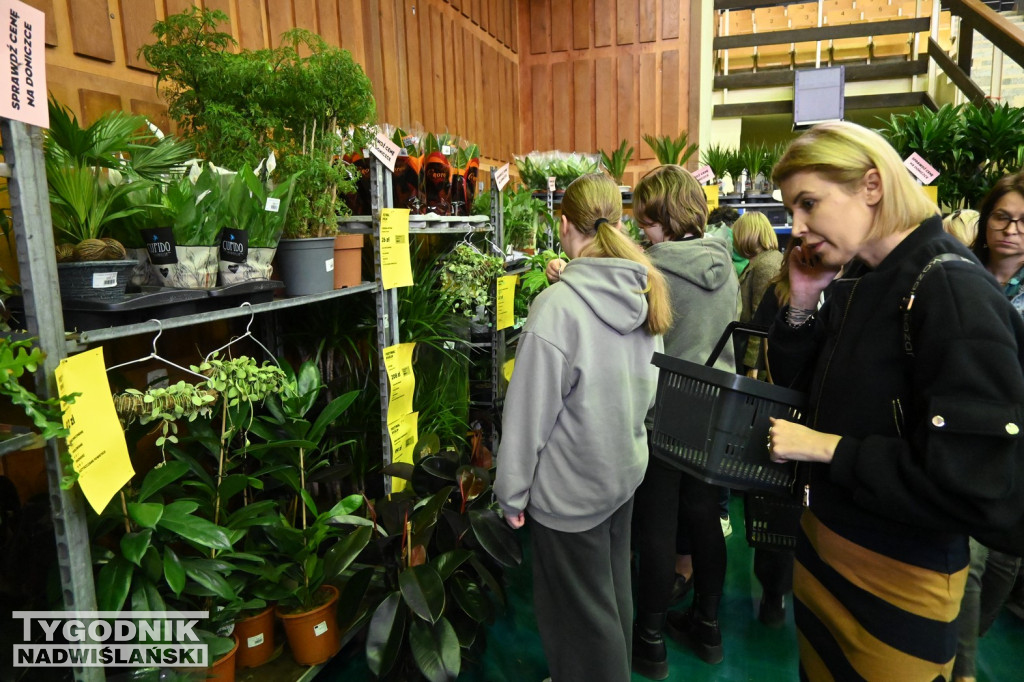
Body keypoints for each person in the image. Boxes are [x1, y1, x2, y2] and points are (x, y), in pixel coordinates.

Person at [765, 121, 1024, 680]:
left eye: (809, 203)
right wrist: (803, 306)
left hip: (899, 574)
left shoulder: (950, 288)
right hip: (828, 551)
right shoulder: (865, 277)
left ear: (872, 186)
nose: (798, 227)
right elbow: (807, 388)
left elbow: (971, 484)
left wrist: (829, 448)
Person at [495, 173, 671, 682]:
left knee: (579, 620)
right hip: (621, 475)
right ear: (618, 224)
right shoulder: (641, 291)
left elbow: (528, 417)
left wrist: (512, 495)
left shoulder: (558, 309)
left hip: (570, 491)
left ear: (564, 225)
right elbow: (648, 388)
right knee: (612, 598)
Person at [629, 164, 740, 677]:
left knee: (657, 521)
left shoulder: (650, 269)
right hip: (715, 407)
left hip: (667, 405)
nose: (641, 232)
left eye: (646, 221)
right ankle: (708, 627)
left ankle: (650, 641)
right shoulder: (725, 260)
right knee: (703, 518)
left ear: (664, 218)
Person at [953, 172, 1024, 682]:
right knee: (971, 566)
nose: (1011, 230)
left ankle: (965, 645)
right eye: (1002, 217)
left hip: (1018, 450)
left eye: (1022, 221)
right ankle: (963, 672)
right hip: (966, 438)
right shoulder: (958, 274)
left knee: (1004, 564)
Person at [732, 211, 783, 375]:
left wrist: (751, 366)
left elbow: (760, 320)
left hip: (758, 362)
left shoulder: (766, 265)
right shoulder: (764, 260)